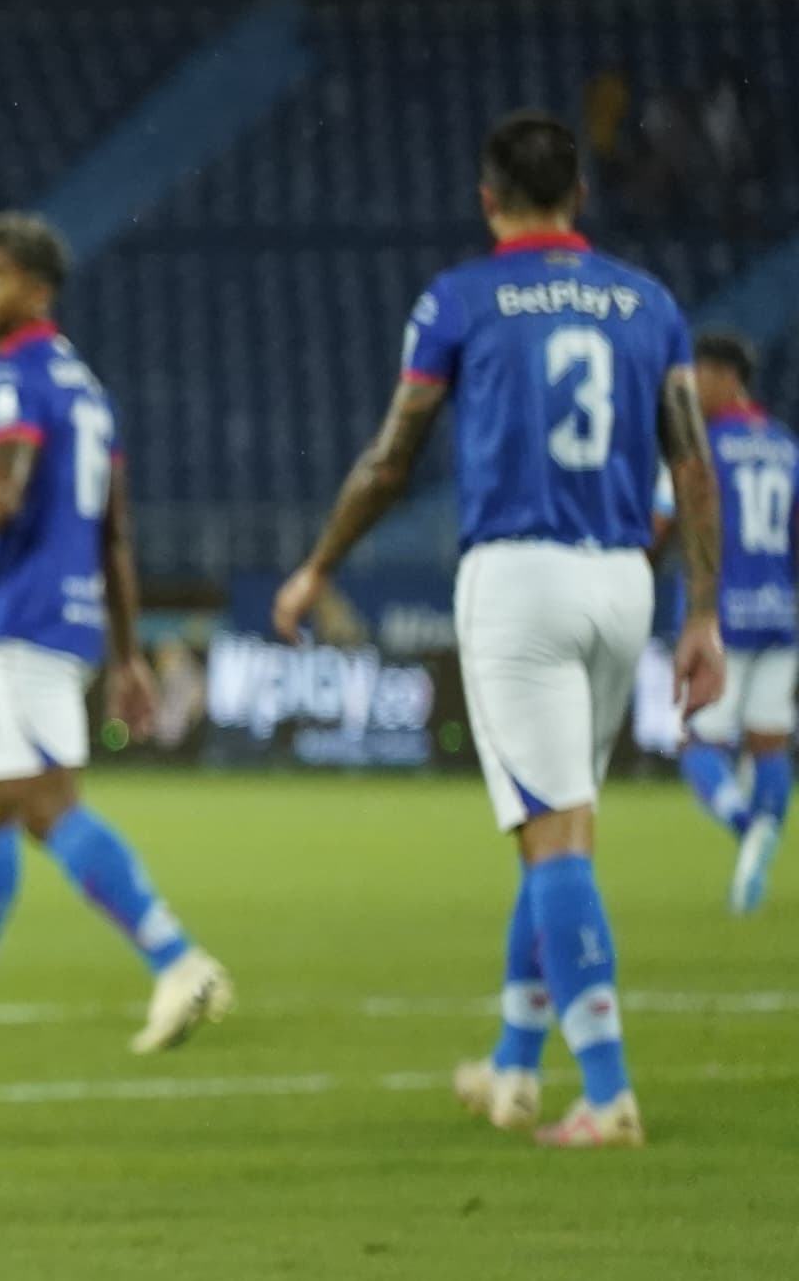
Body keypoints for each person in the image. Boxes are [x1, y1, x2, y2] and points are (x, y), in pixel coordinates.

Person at [275, 113, 722, 1150]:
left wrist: (316, 565)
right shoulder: (646, 301)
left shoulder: (460, 299)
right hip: (623, 581)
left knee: (552, 836)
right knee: (560, 825)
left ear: (487, 199)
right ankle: (512, 1068)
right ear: (579, 195)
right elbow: (691, 469)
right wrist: (700, 612)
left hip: (517, 578)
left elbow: (392, 457)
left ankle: (605, 1095)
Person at [0, 214, 234, 1055]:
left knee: (44, 803)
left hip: (25, 619)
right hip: (62, 618)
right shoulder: (86, 389)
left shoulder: (12, 378)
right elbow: (114, 534)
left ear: (37, 289)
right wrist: (125, 651)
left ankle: (178, 958)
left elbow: (1, 496)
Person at [667, 331, 795, 913]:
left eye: (697, 377)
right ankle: (762, 835)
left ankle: (747, 827)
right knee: (771, 744)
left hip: (720, 619)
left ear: (722, 376)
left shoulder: (701, 447)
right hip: (782, 616)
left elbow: (662, 524)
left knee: (698, 742)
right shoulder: (787, 448)